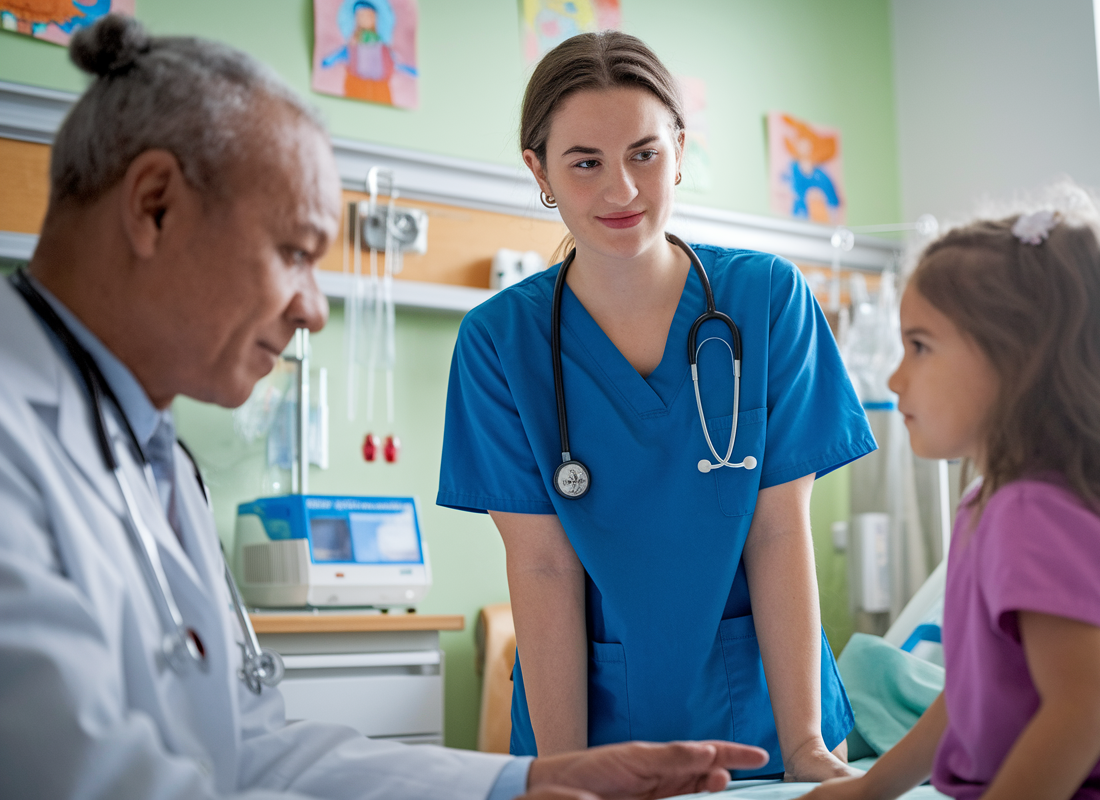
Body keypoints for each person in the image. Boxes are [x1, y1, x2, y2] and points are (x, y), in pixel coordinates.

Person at [0, 15, 769, 800]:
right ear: (155, 205)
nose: (313, 310)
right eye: (296, 253)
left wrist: (526, 784)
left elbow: (248, 749)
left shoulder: (150, 455)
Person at [437, 31, 875, 781]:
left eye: (644, 153)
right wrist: (568, 771)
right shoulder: (497, 344)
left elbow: (778, 532)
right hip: (590, 724)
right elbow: (541, 566)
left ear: (678, 147)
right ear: (538, 170)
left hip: (771, 716)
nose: (622, 191)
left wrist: (804, 744)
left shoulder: (768, 301)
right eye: (585, 163)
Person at [802, 204, 1100, 800]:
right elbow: (968, 695)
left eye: (919, 346)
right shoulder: (992, 502)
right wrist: (870, 790)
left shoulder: (1036, 511)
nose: (894, 379)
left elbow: (1077, 716)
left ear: (1016, 362)